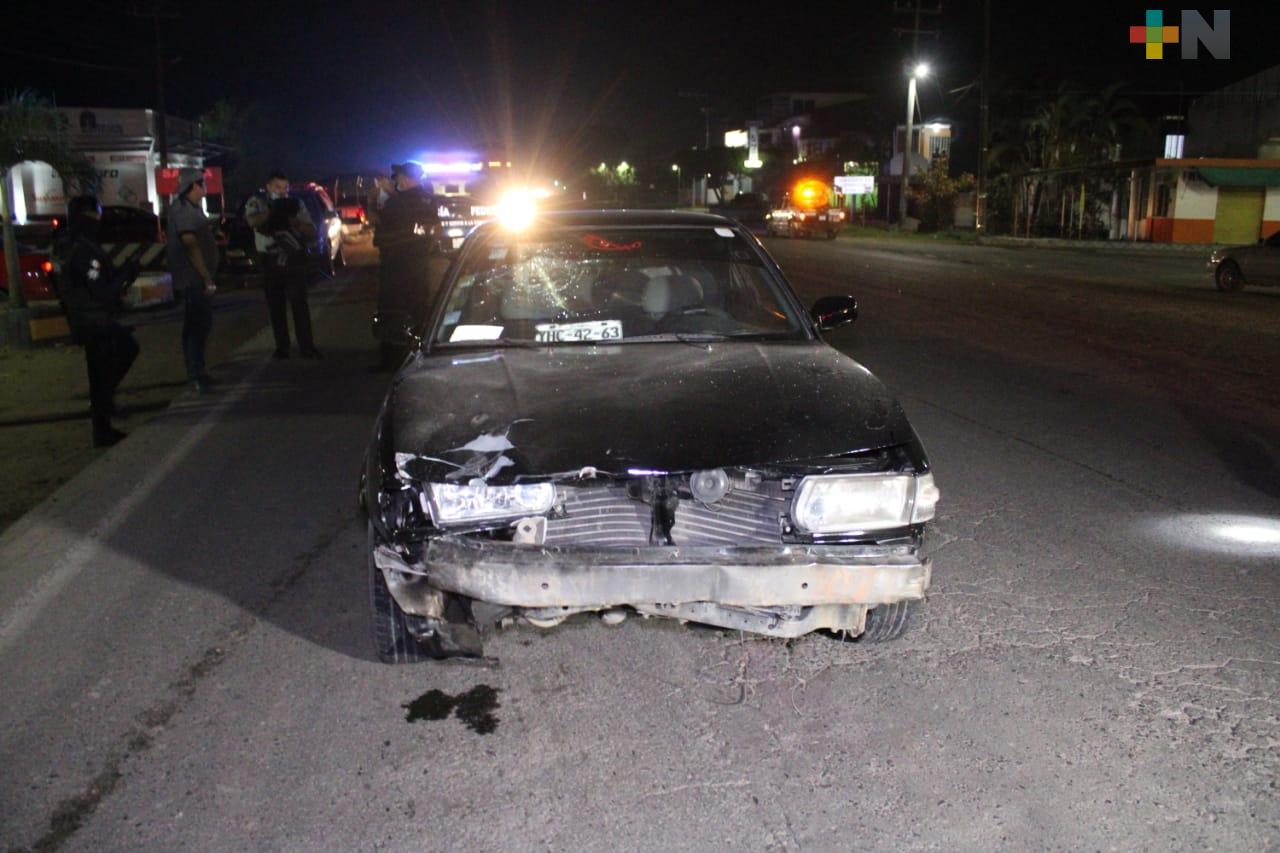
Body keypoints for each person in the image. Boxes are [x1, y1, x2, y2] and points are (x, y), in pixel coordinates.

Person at [52, 195, 141, 447]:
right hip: (93, 320)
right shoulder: (82, 249)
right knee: (121, 354)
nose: (99, 220)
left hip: (86, 318)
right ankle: (102, 414)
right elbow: (101, 290)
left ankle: (102, 422)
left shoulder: (71, 245)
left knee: (100, 371)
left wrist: (123, 274)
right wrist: (125, 274)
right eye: (96, 214)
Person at [245, 171, 321, 359]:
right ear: (268, 187)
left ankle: (307, 347)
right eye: (277, 187)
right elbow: (253, 221)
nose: (282, 191)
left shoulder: (296, 203)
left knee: (299, 305)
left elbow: (311, 230)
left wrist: (295, 222)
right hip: (269, 259)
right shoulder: (257, 202)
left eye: (285, 187)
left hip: (292, 257)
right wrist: (273, 211)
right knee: (276, 306)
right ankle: (282, 347)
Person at [373, 162, 439, 368]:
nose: (396, 180)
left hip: (396, 265)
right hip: (418, 263)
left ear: (406, 178)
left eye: (398, 176)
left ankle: (391, 359)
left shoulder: (397, 202)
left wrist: (385, 196)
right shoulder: (428, 200)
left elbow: (380, 221)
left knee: (392, 310)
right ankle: (421, 354)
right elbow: (431, 230)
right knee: (419, 308)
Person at [165, 168, 220, 391]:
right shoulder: (183, 210)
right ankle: (196, 375)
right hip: (193, 278)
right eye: (202, 182)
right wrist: (206, 277)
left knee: (201, 325)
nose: (205, 186)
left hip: (197, 277)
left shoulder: (193, 208)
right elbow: (190, 245)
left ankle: (199, 371)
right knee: (196, 326)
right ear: (194, 185)